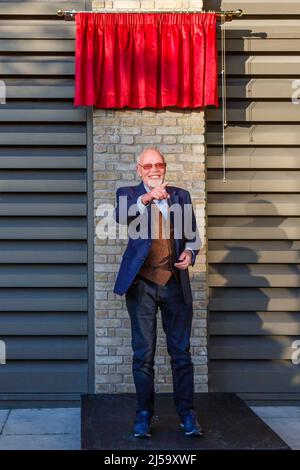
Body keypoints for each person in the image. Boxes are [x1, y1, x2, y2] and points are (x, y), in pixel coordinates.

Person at [114, 147, 203, 438]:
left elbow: (192, 236)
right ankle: (144, 415)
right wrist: (148, 197)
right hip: (141, 286)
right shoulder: (127, 194)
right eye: (148, 165)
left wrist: (190, 253)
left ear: (164, 167)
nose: (154, 169)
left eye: (159, 164)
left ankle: (187, 415)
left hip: (175, 284)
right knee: (144, 354)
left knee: (181, 353)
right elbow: (122, 216)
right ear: (139, 170)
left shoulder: (181, 195)